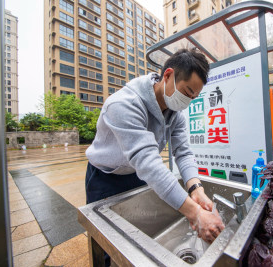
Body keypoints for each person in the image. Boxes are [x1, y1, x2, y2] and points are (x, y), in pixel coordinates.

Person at [85, 48, 224, 245]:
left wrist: (196, 189)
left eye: (193, 98)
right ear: (168, 75)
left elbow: (183, 152)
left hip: (138, 174)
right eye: (187, 93)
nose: (187, 102)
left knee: (137, 236)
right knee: (108, 242)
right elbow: (148, 163)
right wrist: (195, 213)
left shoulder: (175, 113)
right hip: (105, 178)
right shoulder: (123, 105)